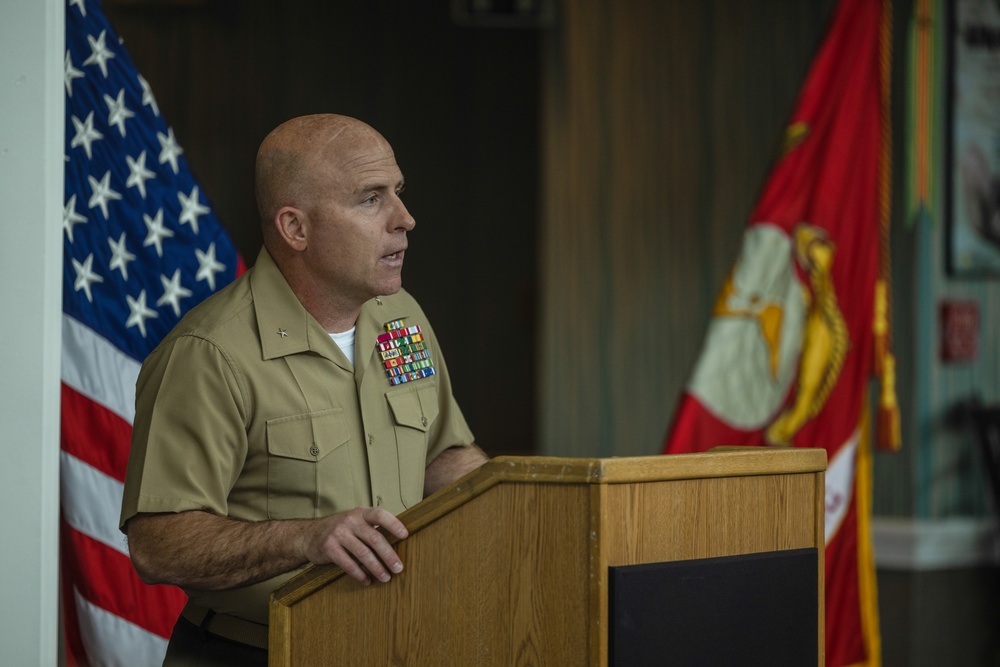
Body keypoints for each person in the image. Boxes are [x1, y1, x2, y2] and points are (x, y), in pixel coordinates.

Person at [120, 114, 489, 666]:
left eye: (398, 193)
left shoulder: (400, 318)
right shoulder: (209, 354)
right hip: (254, 652)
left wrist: (513, 502)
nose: (405, 219)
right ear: (296, 228)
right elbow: (159, 545)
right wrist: (304, 539)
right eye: (370, 199)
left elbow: (442, 453)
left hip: (398, 643)